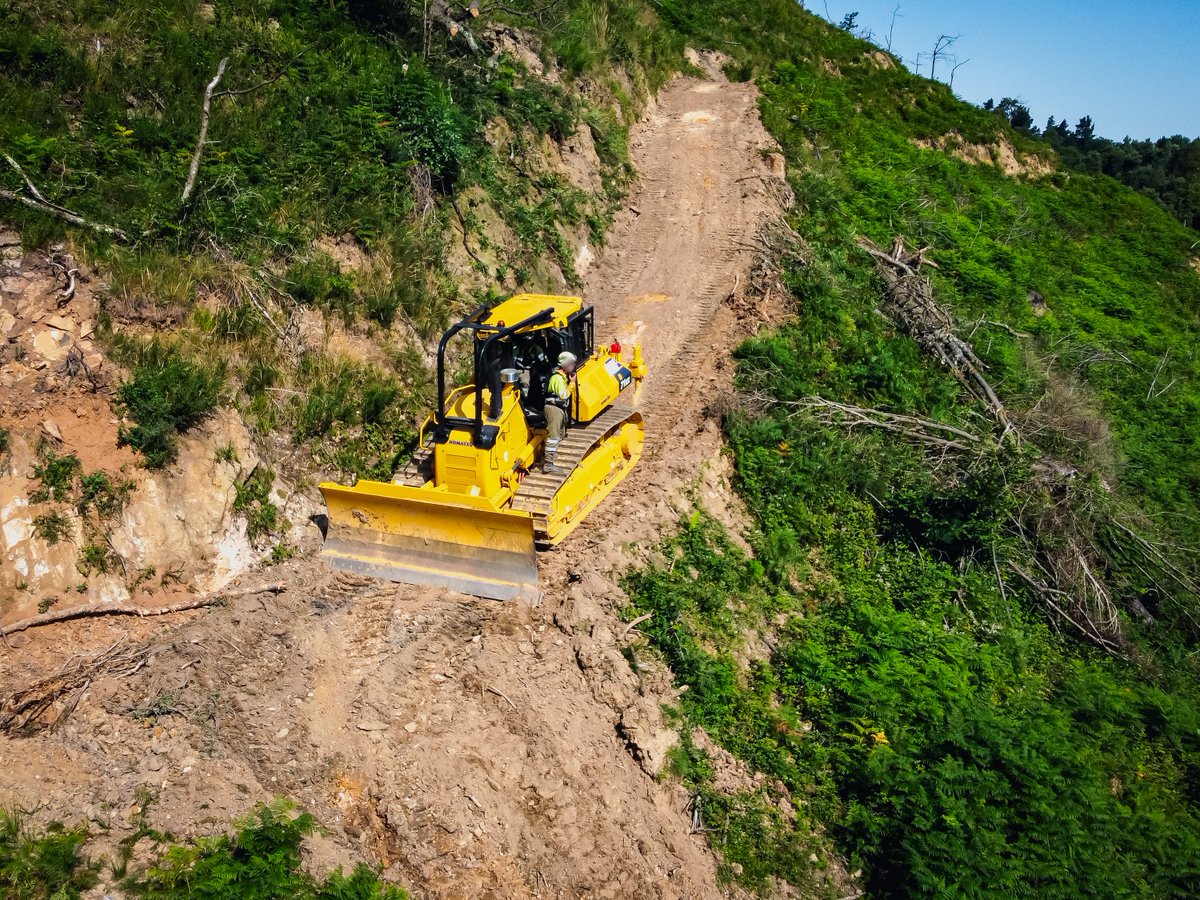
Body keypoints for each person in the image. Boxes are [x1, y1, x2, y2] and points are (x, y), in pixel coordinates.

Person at [543, 351, 577, 474]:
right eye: (572, 364)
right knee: (553, 436)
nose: (573, 366)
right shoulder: (557, 378)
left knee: (560, 434)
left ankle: (551, 453)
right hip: (554, 409)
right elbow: (563, 395)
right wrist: (572, 383)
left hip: (559, 409)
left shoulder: (562, 377)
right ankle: (548, 464)